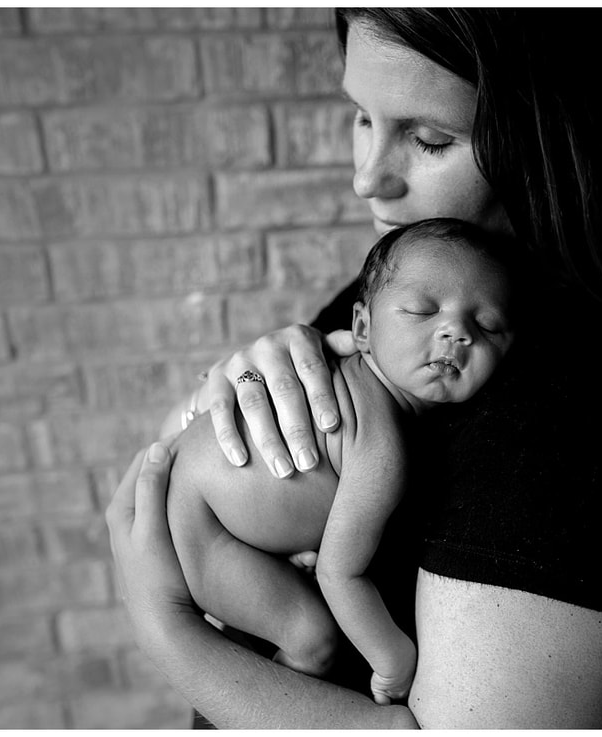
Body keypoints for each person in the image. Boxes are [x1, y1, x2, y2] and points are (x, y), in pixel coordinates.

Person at [108, 8, 602, 728]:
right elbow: (186, 459)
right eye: (361, 117)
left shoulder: (576, 407)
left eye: (428, 138)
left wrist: (169, 633)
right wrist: (233, 388)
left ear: (542, 138)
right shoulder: (394, 288)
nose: (366, 178)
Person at [165, 217, 518, 705]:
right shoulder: (381, 444)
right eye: (421, 310)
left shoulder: (364, 398)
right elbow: (339, 573)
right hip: (201, 520)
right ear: (362, 329)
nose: (456, 332)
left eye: (486, 325)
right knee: (313, 641)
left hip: (200, 492)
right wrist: (394, 662)